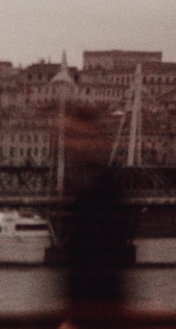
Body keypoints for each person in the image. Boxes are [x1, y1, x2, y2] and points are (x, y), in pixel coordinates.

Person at [51, 103, 136, 326]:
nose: (68, 143)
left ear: (94, 139)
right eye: (67, 136)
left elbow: (98, 270)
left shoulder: (101, 189)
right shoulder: (89, 185)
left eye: (76, 135)